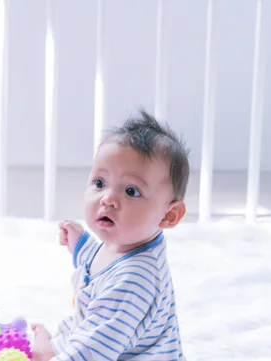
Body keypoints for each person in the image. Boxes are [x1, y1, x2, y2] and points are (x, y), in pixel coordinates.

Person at [31, 109, 190, 361]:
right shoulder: (127, 239)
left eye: (131, 191)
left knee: (69, 345)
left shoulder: (135, 281)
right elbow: (101, 260)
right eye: (99, 183)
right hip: (99, 334)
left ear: (168, 216)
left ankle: (47, 351)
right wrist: (80, 243)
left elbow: (92, 351)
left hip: (112, 352)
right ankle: (49, 348)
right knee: (73, 332)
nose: (108, 199)